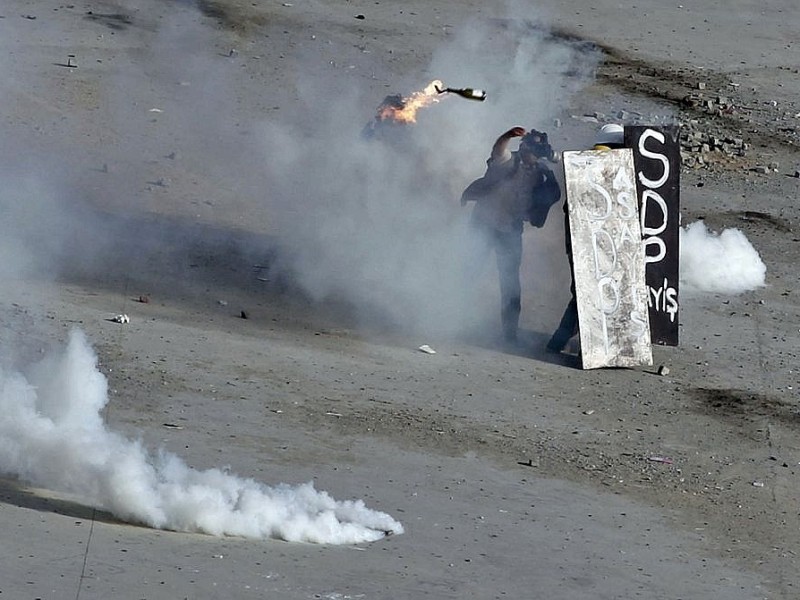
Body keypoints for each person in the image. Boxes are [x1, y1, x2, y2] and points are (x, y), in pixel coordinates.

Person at [461, 127, 562, 344]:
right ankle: (451, 320)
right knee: (469, 272)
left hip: (510, 230)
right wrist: (507, 136)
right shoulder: (508, 161)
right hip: (485, 225)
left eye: (537, 151)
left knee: (510, 283)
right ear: (523, 147)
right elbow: (498, 150)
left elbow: (552, 194)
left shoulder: (541, 173)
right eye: (529, 149)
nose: (532, 155)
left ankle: (510, 334)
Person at [546, 123, 625, 354]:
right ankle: (578, 346)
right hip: (594, 242)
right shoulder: (603, 160)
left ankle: (563, 343)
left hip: (586, 241)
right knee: (589, 293)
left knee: (583, 291)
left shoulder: (586, 161)